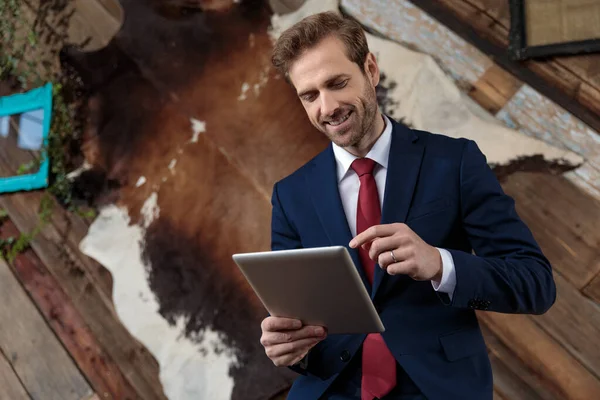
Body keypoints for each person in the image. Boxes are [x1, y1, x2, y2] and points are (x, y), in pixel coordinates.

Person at [260, 11, 556, 400]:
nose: (327, 107)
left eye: (337, 83)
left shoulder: (456, 162)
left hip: (438, 388)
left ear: (370, 69)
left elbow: (535, 283)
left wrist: (440, 263)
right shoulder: (290, 194)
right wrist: (289, 349)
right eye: (310, 95)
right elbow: (294, 318)